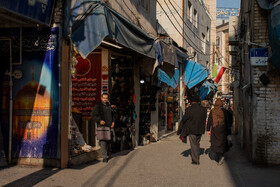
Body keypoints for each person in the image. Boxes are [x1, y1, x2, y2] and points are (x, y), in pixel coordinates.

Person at [178, 95, 207, 165]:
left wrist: (180, 129)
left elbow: (184, 120)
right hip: (200, 129)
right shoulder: (203, 109)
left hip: (192, 129)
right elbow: (204, 119)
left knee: (193, 144)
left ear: (192, 102)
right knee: (197, 143)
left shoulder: (189, 109)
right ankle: (196, 155)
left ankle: (195, 160)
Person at [91, 93, 115, 163]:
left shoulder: (109, 106)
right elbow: (93, 116)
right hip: (102, 127)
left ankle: (108, 152)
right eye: (104, 98)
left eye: (106, 98)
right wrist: (100, 120)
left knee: (112, 140)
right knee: (103, 141)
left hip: (110, 126)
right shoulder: (98, 107)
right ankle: (104, 157)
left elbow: (113, 115)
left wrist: (113, 122)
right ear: (101, 98)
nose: (105, 99)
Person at [206, 98, 230, 165]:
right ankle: (221, 155)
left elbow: (209, 121)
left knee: (215, 143)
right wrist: (228, 128)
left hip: (215, 129)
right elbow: (228, 121)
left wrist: (208, 130)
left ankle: (220, 156)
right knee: (222, 143)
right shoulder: (224, 111)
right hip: (223, 129)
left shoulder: (212, 111)